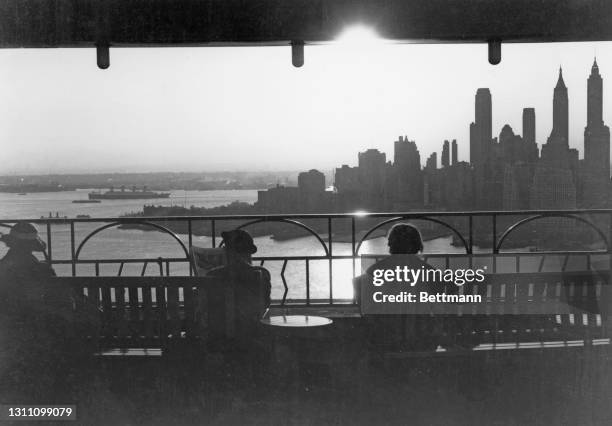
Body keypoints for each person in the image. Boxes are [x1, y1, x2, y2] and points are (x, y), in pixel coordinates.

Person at [356, 223, 456, 351]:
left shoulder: (373, 271)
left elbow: (368, 310)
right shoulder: (430, 273)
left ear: (391, 244)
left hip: (384, 341)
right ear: (417, 245)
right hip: (422, 342)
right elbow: (438, 310)